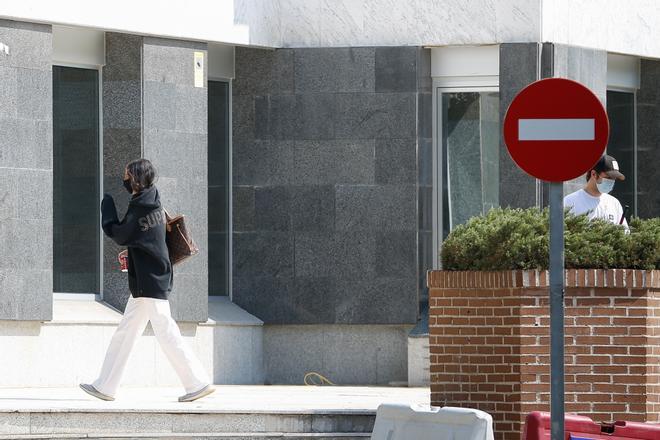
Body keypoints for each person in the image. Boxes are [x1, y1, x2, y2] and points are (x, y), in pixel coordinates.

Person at [80, 158, 215, 402]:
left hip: (150, 280)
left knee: (165, 331)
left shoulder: (142, 205)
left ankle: (197, 382)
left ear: (135, 178)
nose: (124, 179)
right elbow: (145, 240)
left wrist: (107, 208)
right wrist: (132, 253)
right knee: (127, 332)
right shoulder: (153, 202)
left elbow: (120, 233)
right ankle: (106, 385)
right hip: (151, 277)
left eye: (126, 175)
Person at [563, 154, 629, 229]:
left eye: (614, 178)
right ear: (594, 174)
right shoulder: (569, 202)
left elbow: (623, 234)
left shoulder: (614, 203)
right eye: (608, 177)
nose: (612, 181)